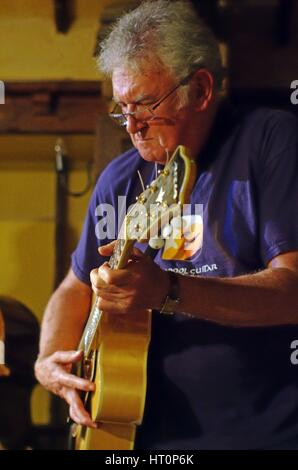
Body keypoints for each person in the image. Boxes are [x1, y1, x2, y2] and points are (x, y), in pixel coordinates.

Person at [35, 0, 298, 449]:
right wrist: (48, 362)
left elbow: (293, 290)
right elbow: (76, 287)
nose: (132, 126)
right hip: (135, 436)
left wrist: (169, 291)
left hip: (259, 435)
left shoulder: (270, 140)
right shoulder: (120, 177)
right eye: (122, 109)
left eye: (144, 105)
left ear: (198, 90)